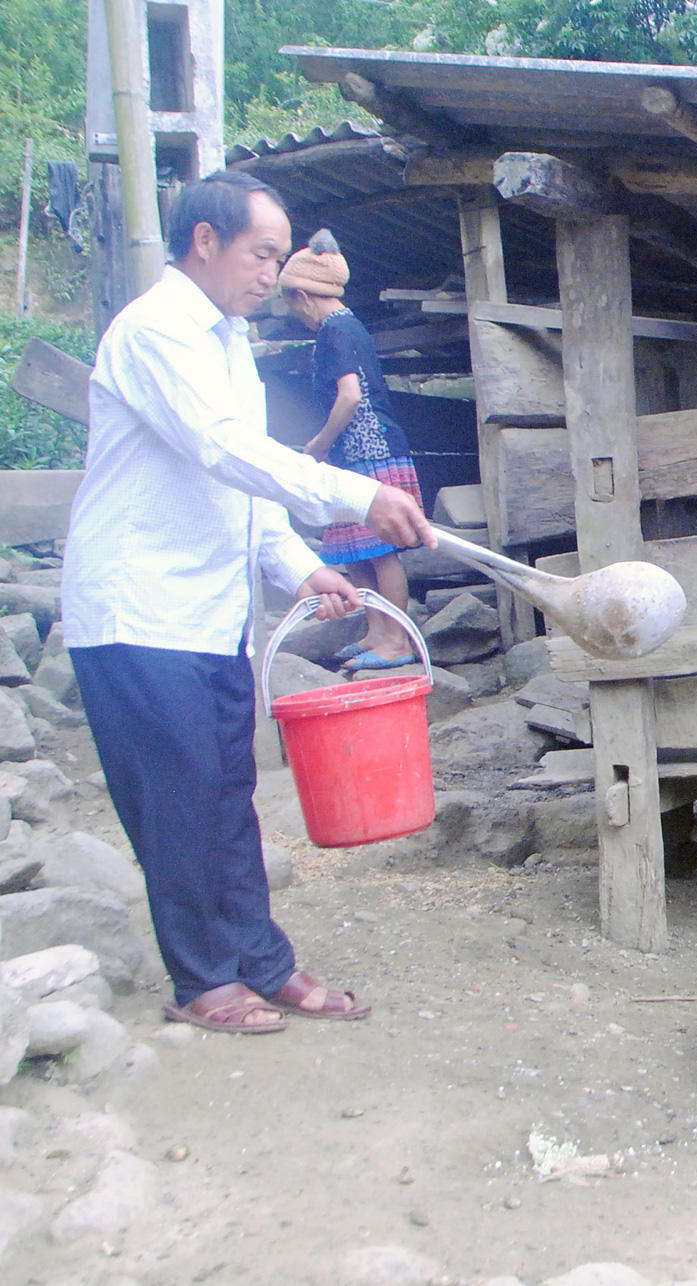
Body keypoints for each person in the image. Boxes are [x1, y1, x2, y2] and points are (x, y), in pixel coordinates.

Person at [63, 170, 435, 1034]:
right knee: (180, 797)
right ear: (205, 241)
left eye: (280, 255)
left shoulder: (224, 339)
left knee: (228, 791)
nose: (275, 271)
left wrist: (301, 566)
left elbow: (242, 483)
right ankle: (201, 979)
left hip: (207, 610)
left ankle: (261, 962)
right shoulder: (157, 330)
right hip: (137, 608)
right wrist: (354, 495)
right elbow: (223, 449)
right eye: (263, 253)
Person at [279, 228, 422, 669]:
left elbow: (350, 396)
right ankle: (376, 632)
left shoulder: (335, 331)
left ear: (303, 296)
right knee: (356, 551)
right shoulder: (345, 327)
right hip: (353, 455)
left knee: (379, 552)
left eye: (290, 303)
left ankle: (395, 639)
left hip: (368, 451)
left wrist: (319, 443)